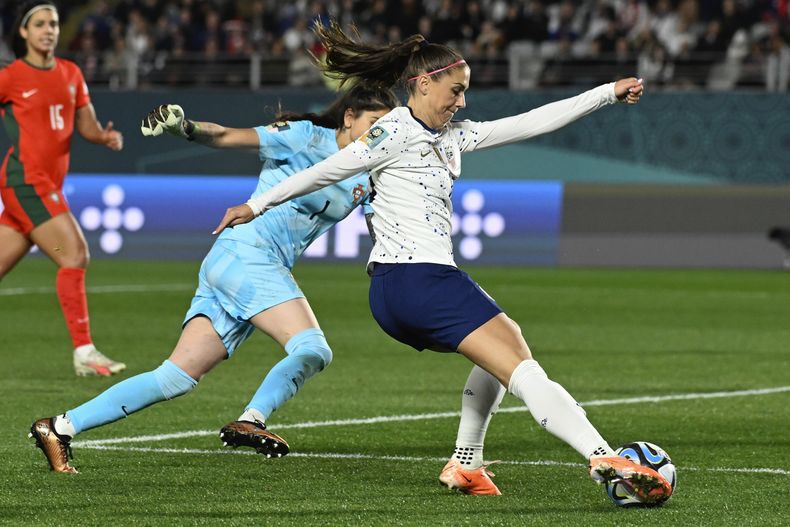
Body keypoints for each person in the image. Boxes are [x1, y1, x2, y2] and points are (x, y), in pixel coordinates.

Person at [211, 21, 671, 504]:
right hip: (415, 278)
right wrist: (256, 206)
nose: (462, 102)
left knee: (504, 350)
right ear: (422, 84)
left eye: (466, 92)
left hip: (404, 288)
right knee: (520, 366)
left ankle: (466, 465)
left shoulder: (454, 136)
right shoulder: (394, 131)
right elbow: (328, 170)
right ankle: (604, 457)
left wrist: (606, 93)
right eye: (456, 90)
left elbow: (532, 120)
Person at [29, 81, 398, 474]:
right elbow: (224, 135)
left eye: (387, 128)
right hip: (248, 255)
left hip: (243, 265)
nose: (380, 134)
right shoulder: (305, 137)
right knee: (313, 349)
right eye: (374, 123)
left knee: (174, 378)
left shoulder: (366, 170)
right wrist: (184, 128)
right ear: (348, 117)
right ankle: (253, 419)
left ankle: (59, 427)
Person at [0, 1, 126, 377]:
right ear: (24, 32)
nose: (49, 30)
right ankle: (84, 351)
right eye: (39, 24)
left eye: (53, 23)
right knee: (74, 254)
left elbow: (85, 126)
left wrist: (103, 137)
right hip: (25, 180)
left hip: (45, 184)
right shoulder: (11, 77)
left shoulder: (71, 73)